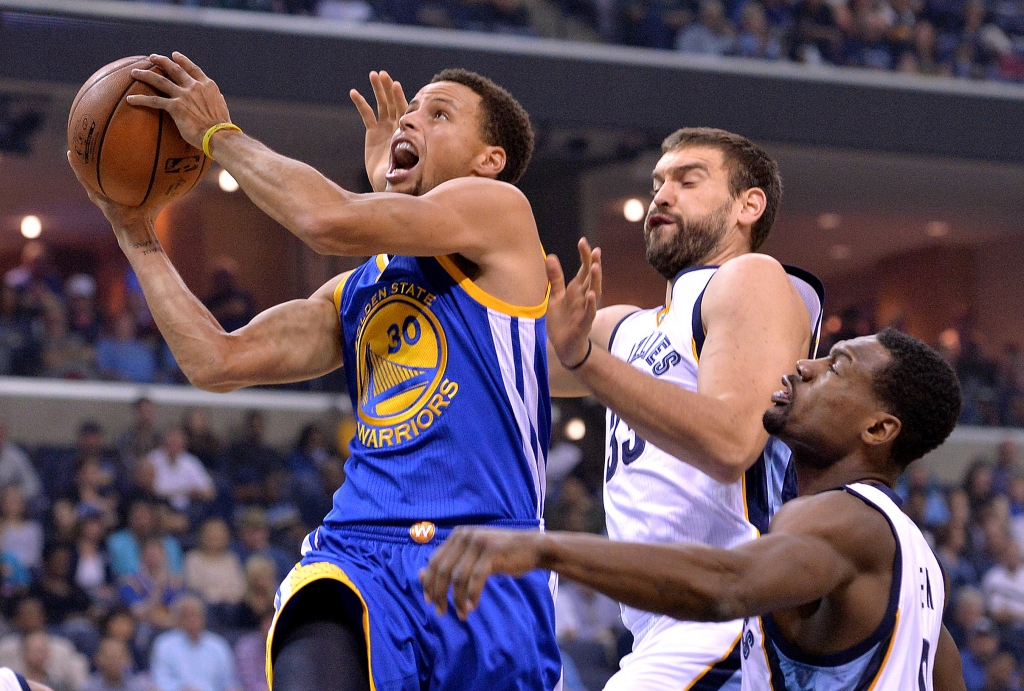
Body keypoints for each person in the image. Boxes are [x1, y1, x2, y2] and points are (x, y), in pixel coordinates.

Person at [72, 54, 557, 691]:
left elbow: (326, 220)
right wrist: (134, 231)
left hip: (487, 556)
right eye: (411, 111)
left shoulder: (501, 210)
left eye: (439, 115)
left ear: (487, 160)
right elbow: (218, 361)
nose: (411, 119)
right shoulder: (357, 289)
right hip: (357, 556)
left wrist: (220, 135)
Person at [424, 328, 968, 690]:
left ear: (877, 429)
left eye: (835, 367)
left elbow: (727, 584)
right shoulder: (923, 570)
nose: (805, 365)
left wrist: (546, 547)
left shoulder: (839, 517)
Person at [534, 127, 820, 689]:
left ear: (748, 205)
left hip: (733, 620)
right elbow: (493, 363)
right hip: (662, 629)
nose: (662, 194)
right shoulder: (627, 326)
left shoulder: (751, 278)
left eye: (688, 180)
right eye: (658, 181)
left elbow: (732, 442)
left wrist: (587, 361)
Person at [150, 597, 239, 691]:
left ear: (204, 618)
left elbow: (229, 681)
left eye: (195, 615)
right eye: (186, 615)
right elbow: (160, 680)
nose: (192, 619)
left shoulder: (218, 645)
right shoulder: (165, 644)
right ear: (178, 619)